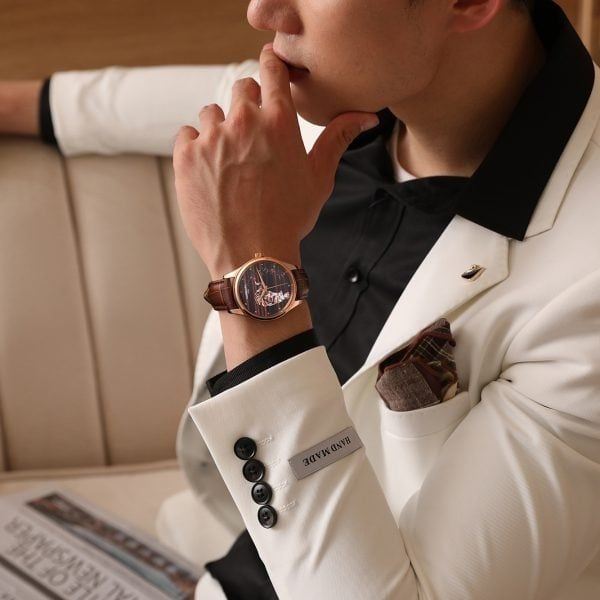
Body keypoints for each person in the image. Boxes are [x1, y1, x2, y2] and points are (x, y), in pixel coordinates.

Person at [1, 0, 599, 597]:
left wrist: (251, 271)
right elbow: (134, 104)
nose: (261, 13)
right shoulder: (348, 95)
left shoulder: (585, 285)